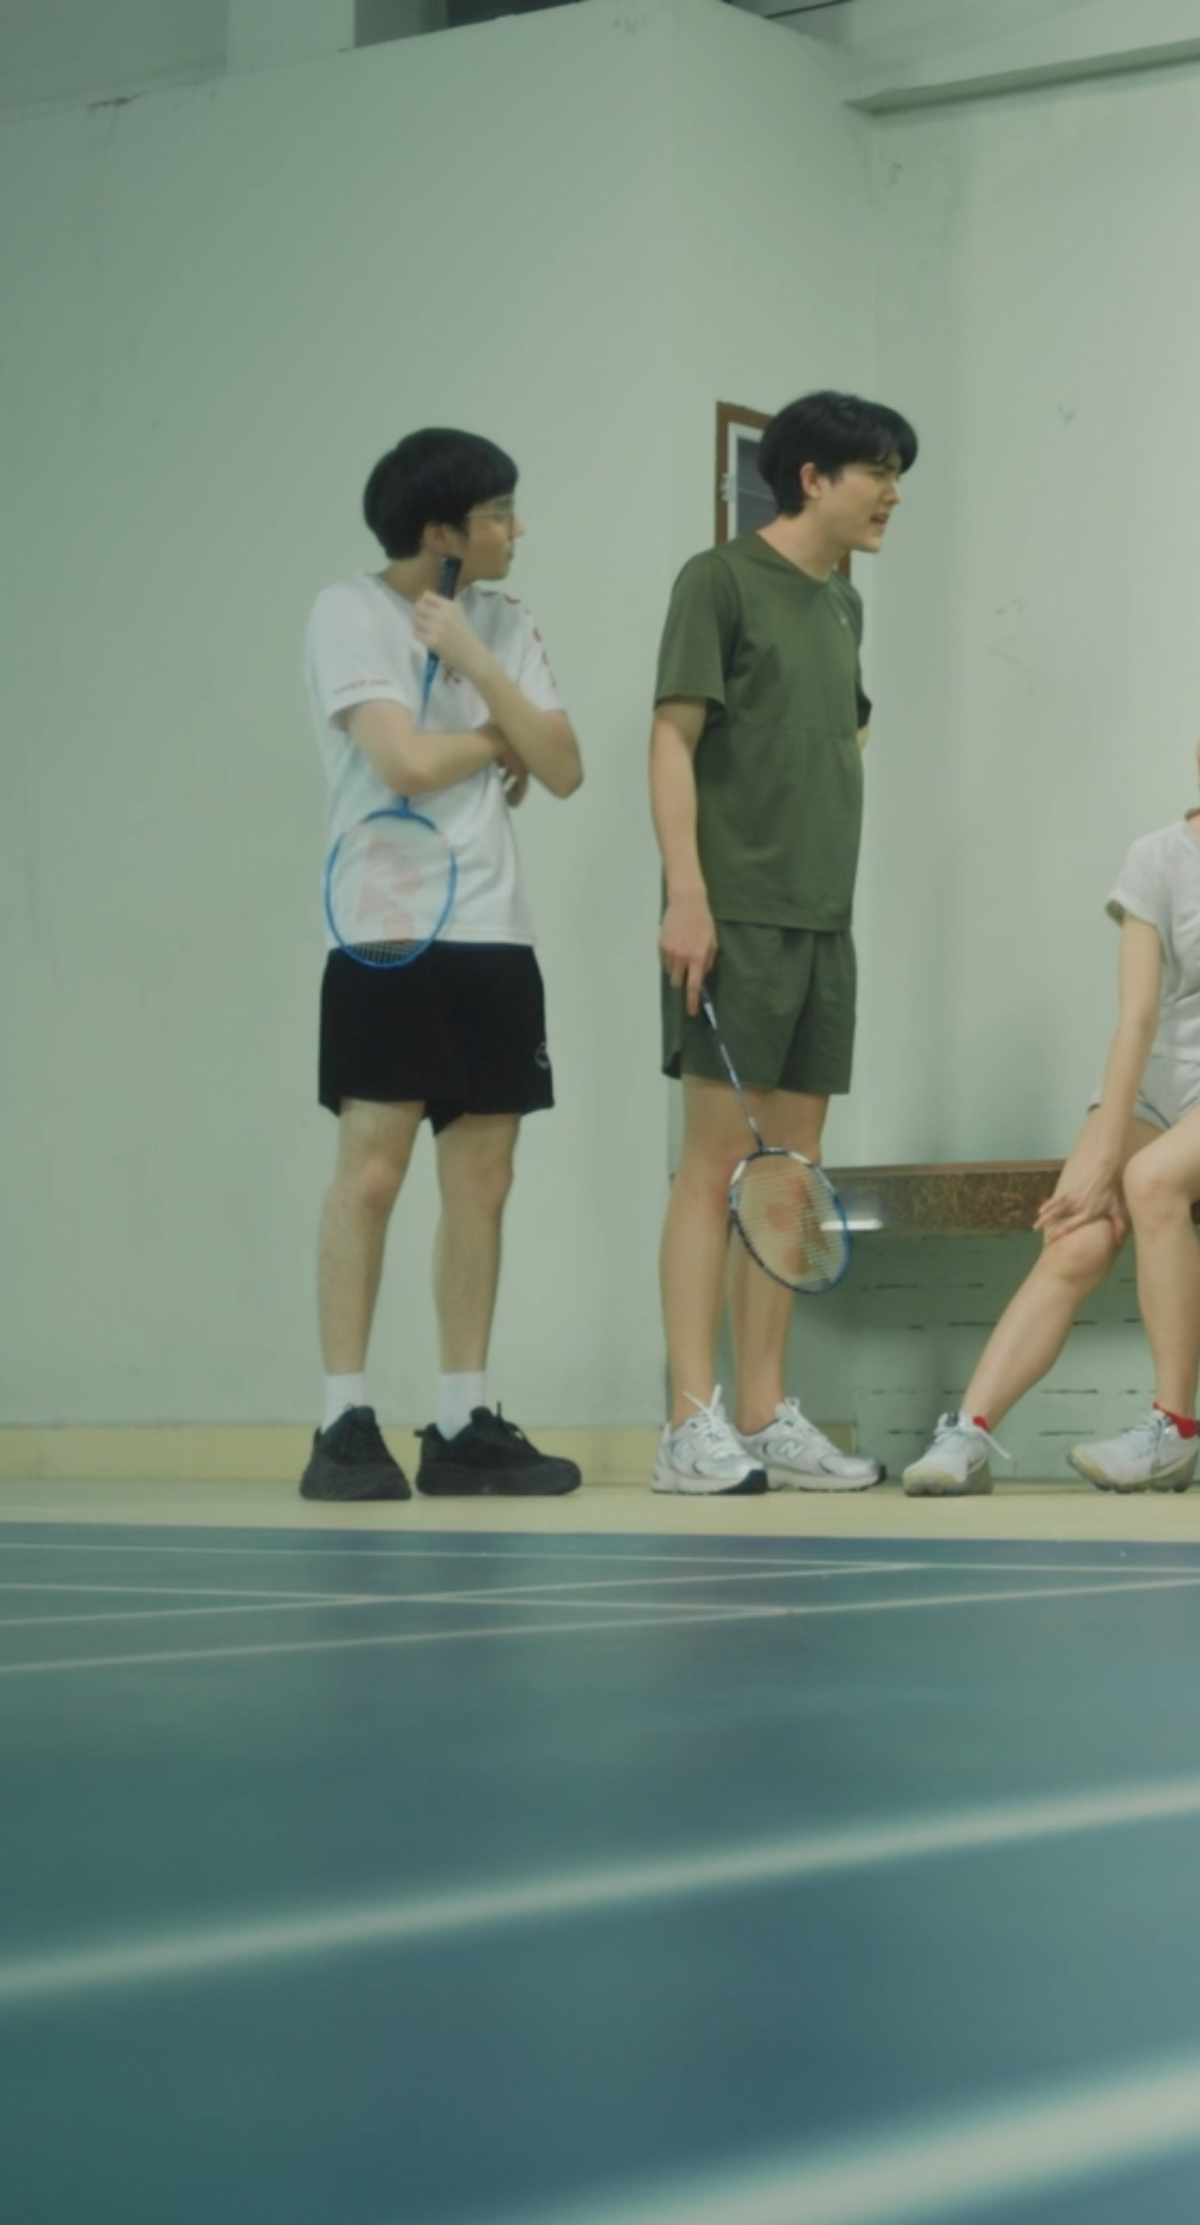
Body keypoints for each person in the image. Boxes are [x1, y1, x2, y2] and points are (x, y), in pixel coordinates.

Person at [898, 684, 1200, 1495]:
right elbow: (1137, 1016)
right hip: (1158, 1077)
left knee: (1152, 1182)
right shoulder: (1155, 856)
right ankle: (967, 1433)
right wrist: (1099, 1152)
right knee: (1076, 1236)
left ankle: (1173, 1430)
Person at [298, 427, 584, 1503]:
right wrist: (499, 737)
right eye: (499, 513)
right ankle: (342, 1420)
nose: (517, 529)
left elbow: (564, 766)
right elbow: (404, 761)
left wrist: (477, 663)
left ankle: (462, 1419)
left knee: (484, 1182)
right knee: (371, 1175)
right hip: (387, 927)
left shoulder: (504, 621)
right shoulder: (347, 611)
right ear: (440, 533)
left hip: (494, 935)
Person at [646, 390, 916, 1495]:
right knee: (713, 1167)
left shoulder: (843, 603)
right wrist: (687, 894)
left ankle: (761, 1416)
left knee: (787, 1178)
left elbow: (840, 732)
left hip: (822, 924)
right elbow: (672, 739)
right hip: (736, 917)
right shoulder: (715, 581)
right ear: (811, 477)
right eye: (877, 473)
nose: (892, 494)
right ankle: (689, 1423)